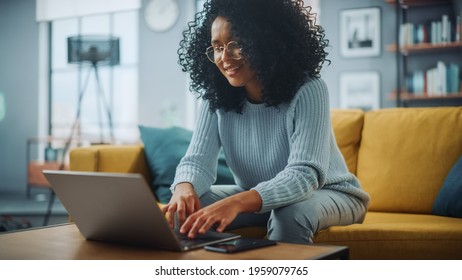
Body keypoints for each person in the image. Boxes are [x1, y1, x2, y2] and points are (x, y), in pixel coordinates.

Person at [162, 0, 370, 244]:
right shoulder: (215, 97)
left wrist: (237, 203)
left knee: (290, 214)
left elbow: (303, 175)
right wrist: (184, 187)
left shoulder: (309, 89)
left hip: (328, 193)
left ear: (266, 41)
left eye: (236, 45)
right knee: (181, 213)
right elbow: (197, 162)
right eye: (217, 47)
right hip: (258, 195)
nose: (225, 57)